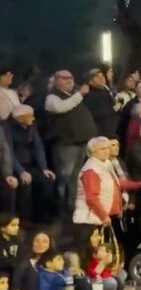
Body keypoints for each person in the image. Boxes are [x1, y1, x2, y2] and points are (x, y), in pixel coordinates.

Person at [45, 70, 97, 214]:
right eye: (65, 78)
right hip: (66, 144)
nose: (69, 81)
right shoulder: (52, 98)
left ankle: (72, 207)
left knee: (75, 178)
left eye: (71, 78)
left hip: (80, 142)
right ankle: (59, 209)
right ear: (56, 80)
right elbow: (61, 108)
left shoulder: (72, 96)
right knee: (64, 178)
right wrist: (79, 94)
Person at [72, 137, 141, 238]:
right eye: (102, 149)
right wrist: (103, 216)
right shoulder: (91, 170)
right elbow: (91, 198)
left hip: (105, 216)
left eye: (107, 148)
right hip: (92, 219)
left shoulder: (106, 163)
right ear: (92, 152)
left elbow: (116, 183)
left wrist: (139, 184)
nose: (106, 151)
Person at [6, 105, 57, 224]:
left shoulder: (31, 128)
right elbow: (8, 153)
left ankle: (43, 215)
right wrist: (21, 171)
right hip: (14, 166)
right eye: (30, 116)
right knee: (26, 184)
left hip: (31, 164)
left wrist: (44, 168)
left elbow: (38, 147)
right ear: (20, 118)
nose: (33, 119)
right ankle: (24, 218)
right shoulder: (7, 129)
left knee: (47, 181)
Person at [82, 68, 118, 140]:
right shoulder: (89, 95)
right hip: (100, 134)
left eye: (102, 76)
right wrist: (113, 109)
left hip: (112, 131)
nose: (101, 78)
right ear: (90, 81)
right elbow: (95, 113)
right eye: (97, 77)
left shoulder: (106, 92)